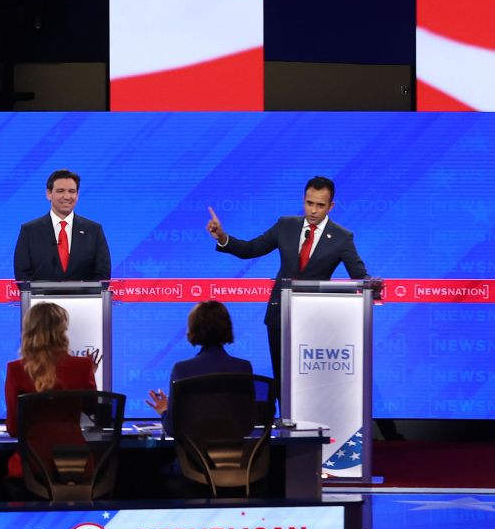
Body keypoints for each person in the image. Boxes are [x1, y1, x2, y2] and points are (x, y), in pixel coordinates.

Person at [205, 175, 368, 407]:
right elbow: (251, 248)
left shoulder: (342, 237)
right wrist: (223, 237)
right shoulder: (286, 225)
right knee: (283, 379)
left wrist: (371, 286)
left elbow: (359, 275)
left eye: (320, 205)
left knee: (310, 381)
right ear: (303, 200)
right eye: (309, 203)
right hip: (280, 315)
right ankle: (287, 428)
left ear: (331, 206)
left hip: (316, 319)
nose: (313, 210)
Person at [4, 302, 97, 479]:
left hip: (33, 467)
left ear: (28, 332)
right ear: (62, 331)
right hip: (76, 464)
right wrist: (90, 375)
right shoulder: (83, 365)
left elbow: (14, 428)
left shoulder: (15, 369)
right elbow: (92, 409)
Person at [145, 300, 253, 435]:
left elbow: (173, 429)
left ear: (193, 329)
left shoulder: (182, 369)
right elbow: (248, 421)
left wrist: (164, 411)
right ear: (228, 327)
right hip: (238, 454)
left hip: (193, 455)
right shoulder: (243, 367)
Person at [14, 169, 111, 282]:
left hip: (84, 299)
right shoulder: (30, 230)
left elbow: (102, 274)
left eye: (71, 191)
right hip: (42, 299)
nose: (67, 196)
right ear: (49, 194)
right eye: (60, 191)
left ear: (77, 195)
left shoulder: (93, 230)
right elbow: (22, 274)